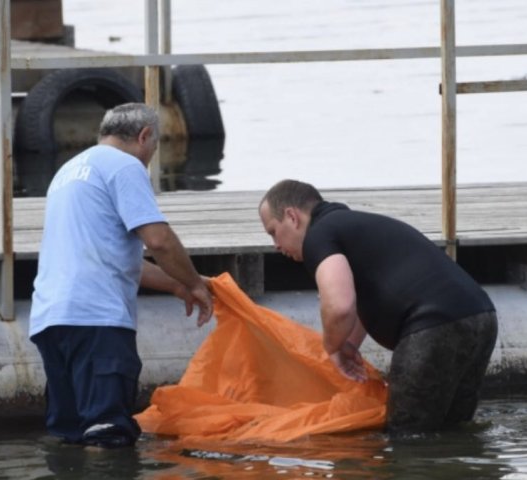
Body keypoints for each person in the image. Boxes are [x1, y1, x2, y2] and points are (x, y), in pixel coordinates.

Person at [29, 103, 213, 448]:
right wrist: (194, 284)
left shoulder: (68, 172)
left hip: (51, 320)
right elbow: (159, 240)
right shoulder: (125, 166)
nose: (149, 158)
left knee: (70, 433)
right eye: (153, 149)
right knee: (107, 433)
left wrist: (175, 284)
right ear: (144, 136)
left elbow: (115, 260)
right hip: (97, 320)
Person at [258, 179, 497, 434]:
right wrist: (348, 344)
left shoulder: (318, 235)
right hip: (481, 317)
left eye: (273, 231)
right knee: (454, 430)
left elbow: (340, 306)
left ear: (292, 217)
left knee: (406, 437)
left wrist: (332, 346)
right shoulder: (352, 226)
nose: (275, 245)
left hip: (434, 325)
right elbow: (364, 299)